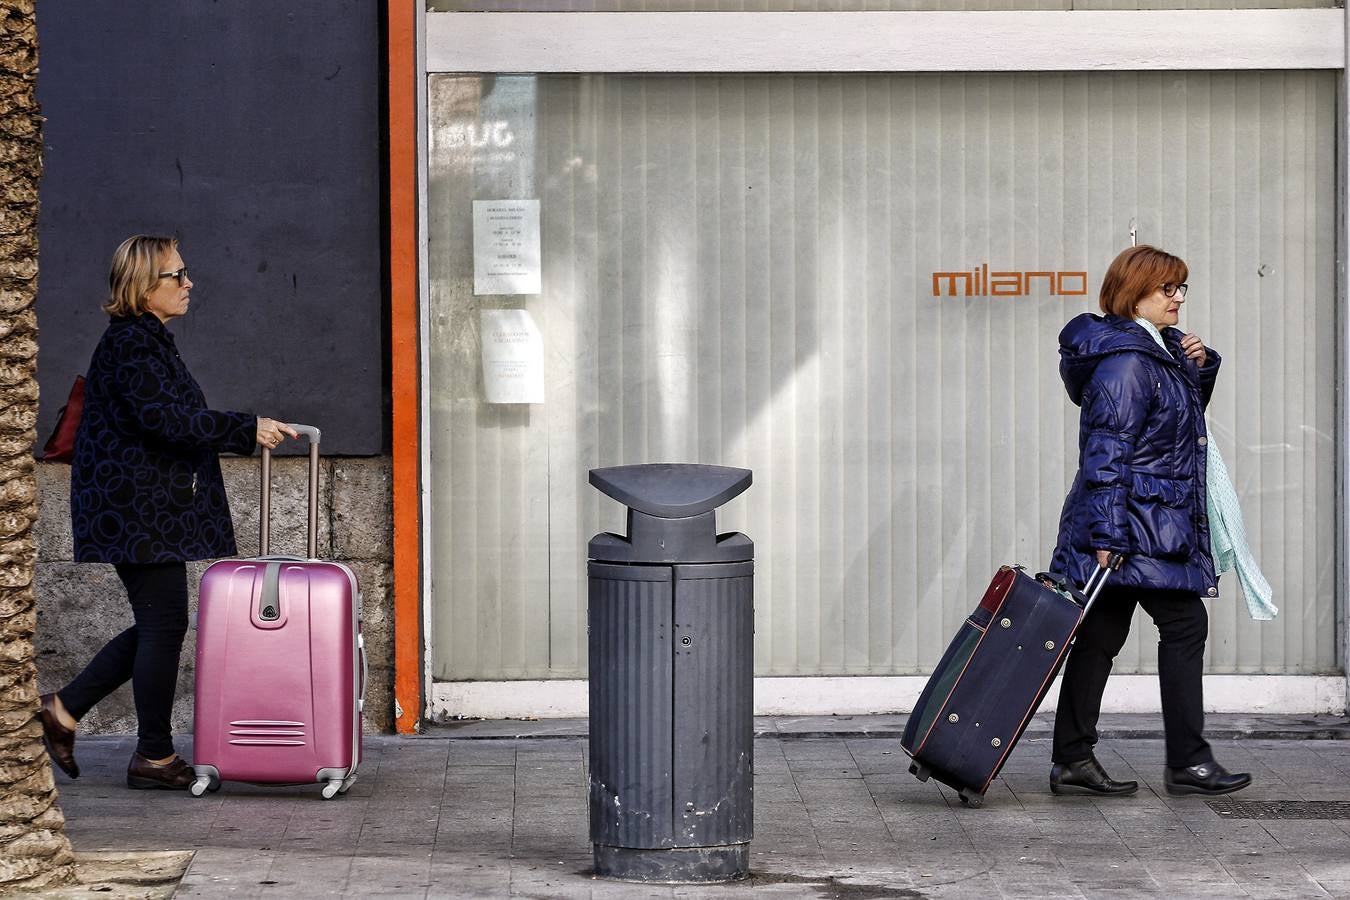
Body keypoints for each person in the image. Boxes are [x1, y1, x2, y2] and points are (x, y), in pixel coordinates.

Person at [37, 235, 298, 790]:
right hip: (137, 508)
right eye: (175, 275)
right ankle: (150, 755)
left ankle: (65, 711)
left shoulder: (147, 339)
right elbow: (166, 421)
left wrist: (244, 426)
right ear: (142, 286)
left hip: (143, 505)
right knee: (163, 626)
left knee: (162, 623)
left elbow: (168, 417)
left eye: (184, 272)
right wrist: (245, 427)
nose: (188, 283)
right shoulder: (133, 343)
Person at [1047, 245, 1252, 798]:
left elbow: (1175, 433)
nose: (1179, 298)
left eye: (1182, 288)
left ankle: (1072, 758)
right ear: (1134, 291)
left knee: (1099, 637)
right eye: (1169, 289)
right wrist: (1107, 536)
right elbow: (1106, 453)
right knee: (1182, 627)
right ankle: (1187, 761)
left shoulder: (1153, 353)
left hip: (1144, 522)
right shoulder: (1129, 363)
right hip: (1136, 527)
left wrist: (1198, 370)